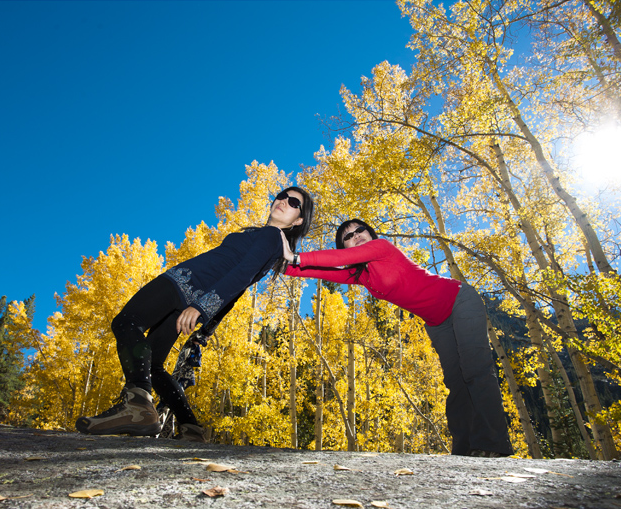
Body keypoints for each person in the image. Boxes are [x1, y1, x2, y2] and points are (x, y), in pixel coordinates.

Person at [76, 187, 314, 440]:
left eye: (293, 202)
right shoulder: (269, 239)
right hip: (195, 296)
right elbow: (239, 287)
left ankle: (137, 404)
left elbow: (241, 276)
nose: (282, 201)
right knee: (154, 365)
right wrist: (207, 321)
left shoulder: (271, 235)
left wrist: (202, 308)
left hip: (182, 282)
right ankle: (190, 427)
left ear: (298, 220)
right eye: (281, 196)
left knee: (126, 322)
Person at [281, 218, 513, 457]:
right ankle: (465, 451)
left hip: (460, 300)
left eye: (360, 230)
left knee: (475, 371)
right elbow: (322, 271)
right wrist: (282, 265)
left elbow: (334, 260)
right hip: (437, 322)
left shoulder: (382, 248)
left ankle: (493, 445)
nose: (356, 235)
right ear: (346, 247)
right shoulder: (361, 275)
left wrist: (295, 256)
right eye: (348, 237)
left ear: (370, 234)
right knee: (456, 384)